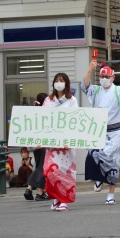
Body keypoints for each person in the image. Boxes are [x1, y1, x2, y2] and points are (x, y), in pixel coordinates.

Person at [81, 60, 120, 205]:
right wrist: (90, 68)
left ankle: (111, 194)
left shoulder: (118, 90)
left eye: (107, 77)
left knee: (112, 161)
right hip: (97, 129)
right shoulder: (95, 90)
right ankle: (98, 179)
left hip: (114, 130)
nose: (104, 79)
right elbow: (84, 85)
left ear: (113, 78)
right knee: (92, 155)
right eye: (102, 76)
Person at [43, 73, 78, 211]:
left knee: (65, 171)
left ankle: (64, 200)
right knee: (50, 171)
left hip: (66, 141)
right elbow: (43, 119)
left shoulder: (72, 100)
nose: (58, 83)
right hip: (52, 141)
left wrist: (70, 138)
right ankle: (56, 197)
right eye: (56, 80)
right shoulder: (48, 100)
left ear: (66, 83)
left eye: (61, 80)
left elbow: (75, 119)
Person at [24, 93, 50, 201]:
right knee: (43, 169)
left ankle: (29, 189)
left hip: (36, 146)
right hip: (43, 145)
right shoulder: (45, 114)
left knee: (38, 167)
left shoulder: (34, 113)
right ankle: (40, 192)